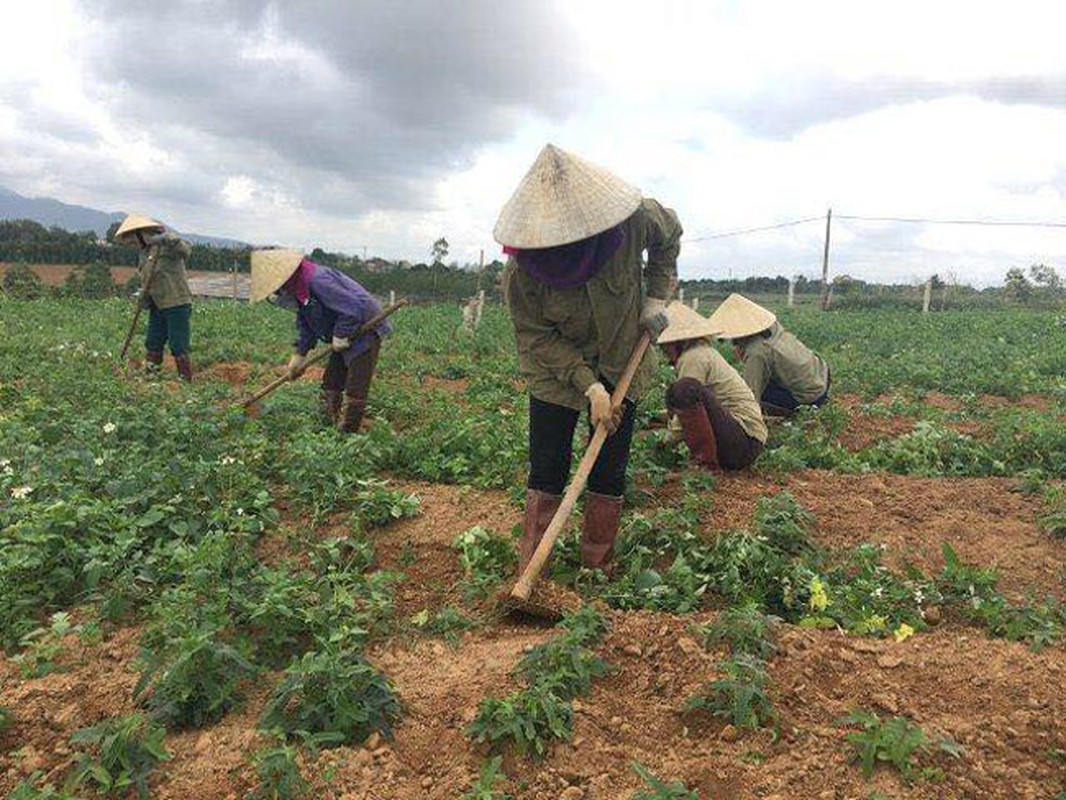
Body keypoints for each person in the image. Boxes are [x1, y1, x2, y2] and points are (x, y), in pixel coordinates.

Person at [495, 144, 680, 573]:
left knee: (608, 468)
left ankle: (597, 567)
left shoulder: (633, 221)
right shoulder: (523, 271)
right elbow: (536, 338)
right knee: (548, 465)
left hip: (622, 359)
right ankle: (534, 568)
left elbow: (670, 234)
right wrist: (589, 386)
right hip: (555, 376)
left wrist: (654, 298)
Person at [249, 249, 391, 433]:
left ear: (284, 278)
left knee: (356, 386)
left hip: (364, 329)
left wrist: (341, 333)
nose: (278, 292)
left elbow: (352, 307)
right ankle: (324, 428)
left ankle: (347, 437)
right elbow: (307, 320)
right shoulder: (300, 288)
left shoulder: (317, 281)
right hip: (343, 329)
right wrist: (300, 353)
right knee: (331, 381)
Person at [659, 302, 767, 471]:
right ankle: (707, 459)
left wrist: (664, 443)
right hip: (744, 441)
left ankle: (705, 465)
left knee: (684, 388)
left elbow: (685, 404)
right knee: (675, 392)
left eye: (665, 346)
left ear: (678, 342)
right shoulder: (701, 352)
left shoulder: (693, 357)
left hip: (744, 442)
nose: (664, 351)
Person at [707, 293, 830, 416]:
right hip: (822, 376)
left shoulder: (756, 352)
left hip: (810, 397)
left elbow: (750, 395)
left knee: (743, 393)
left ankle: (803, 410)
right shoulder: (772, 328)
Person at [114, 213, 194, 381]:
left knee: (178, 344)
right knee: (153, 342)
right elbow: (147, 279)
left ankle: (185, 381)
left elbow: (186, 250)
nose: (133, 244)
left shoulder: (167, 246)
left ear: (141, 233)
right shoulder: (143, 253)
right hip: (157, 305)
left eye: (134, 240)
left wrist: (169, 239)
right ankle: (151, 378)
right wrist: (143, 296)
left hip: (176, 303)